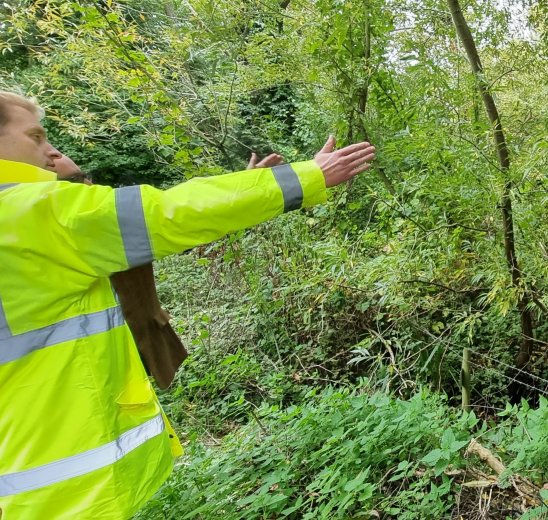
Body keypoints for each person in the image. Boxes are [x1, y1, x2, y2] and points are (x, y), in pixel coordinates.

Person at [0, 90, 374, 519]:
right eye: (35, 136)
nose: (51, 151)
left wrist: (248, 188)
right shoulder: (28, 213)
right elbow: (169, 213)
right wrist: (303, 177)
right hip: (57, 481)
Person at [51, 151, 283, 389]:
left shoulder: (102, 221)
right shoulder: (67, 236)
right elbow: (175, 215)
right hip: (89, 374)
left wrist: (246, 188)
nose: (91, 186)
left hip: (131, 359)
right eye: (75, 182)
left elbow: (186, 222)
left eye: (85, 177)